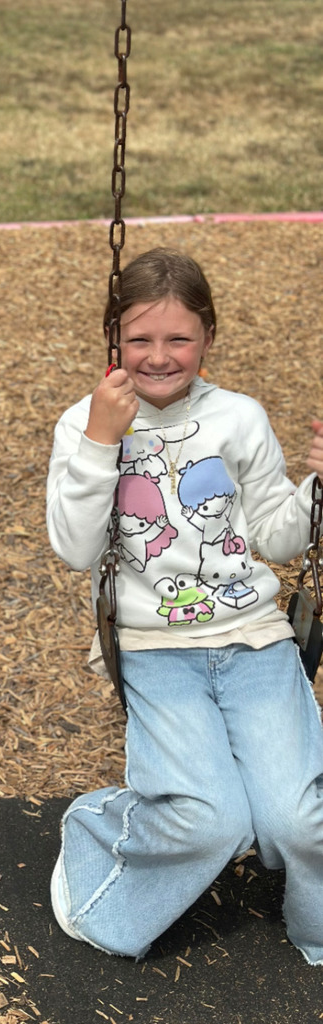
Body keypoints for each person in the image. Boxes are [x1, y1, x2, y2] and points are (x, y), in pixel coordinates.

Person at [46, 247, 323, 964]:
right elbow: (77, 549)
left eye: (179, 339)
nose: (160, 357)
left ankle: (316, 930)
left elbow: (276, 536)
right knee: (211, 823)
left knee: (299, 822)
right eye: (140, 339)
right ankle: (101, 830)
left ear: (208, 338)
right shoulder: (85, 424)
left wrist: (317, 486)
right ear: (114, 339)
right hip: (151, 647)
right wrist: (105, 440)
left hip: (253, 638)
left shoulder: (238, 418)